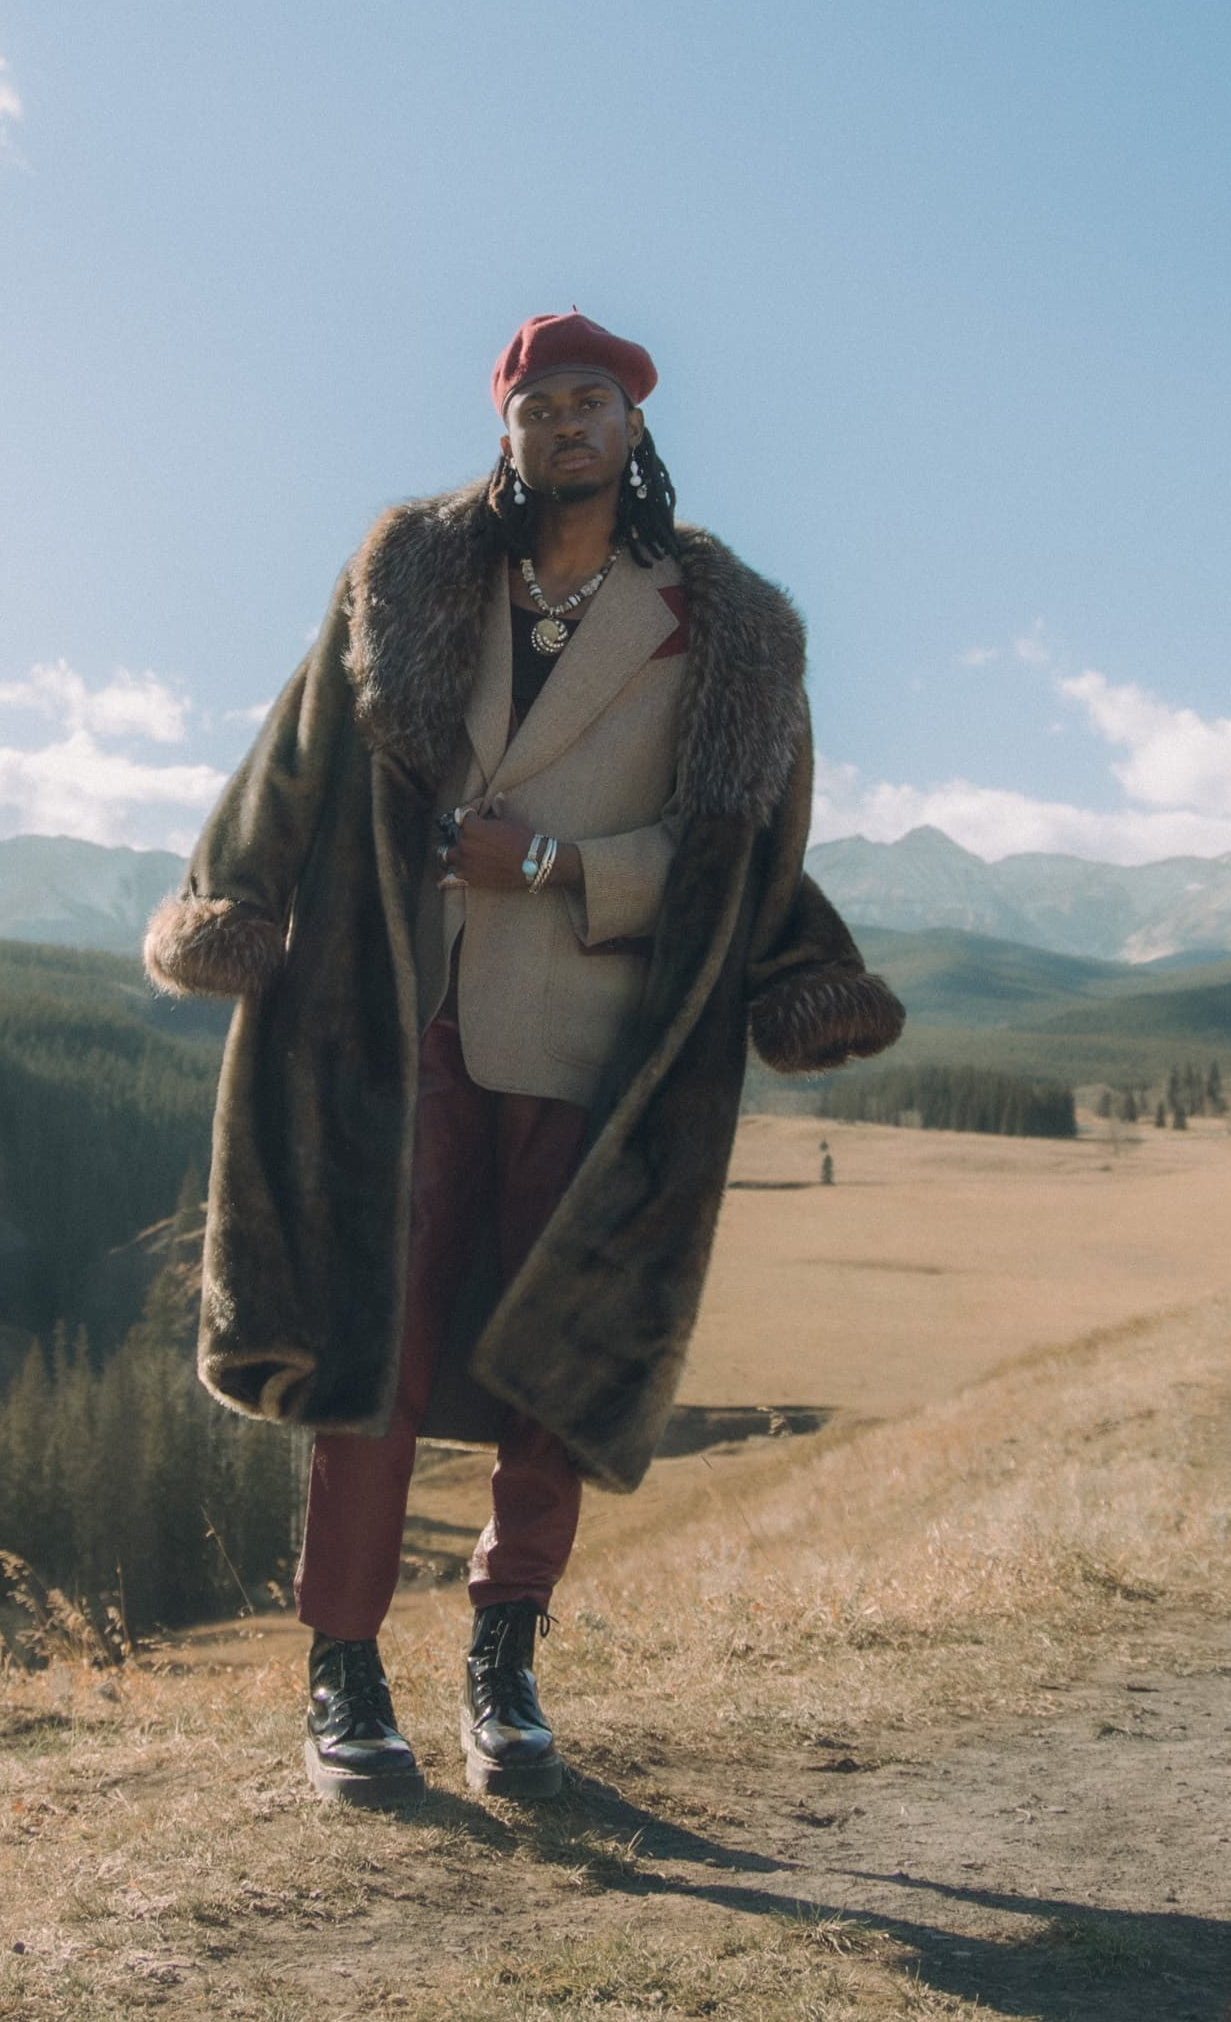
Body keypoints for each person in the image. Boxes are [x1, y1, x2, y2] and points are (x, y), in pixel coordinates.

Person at [145, 309, 903, 1806]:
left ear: (635, 431)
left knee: (554, 1361)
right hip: (400, 1024)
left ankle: (507, 1660)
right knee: (376, 1349)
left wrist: (558, 861)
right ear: (505, 430)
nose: (565, 424)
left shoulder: (729, 630)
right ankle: (344, 1676)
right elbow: (295, 756)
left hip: (594, 1047)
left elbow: (734, 858)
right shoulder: (409, 576)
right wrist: (233, 901)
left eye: (592, 401)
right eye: (538, 403)